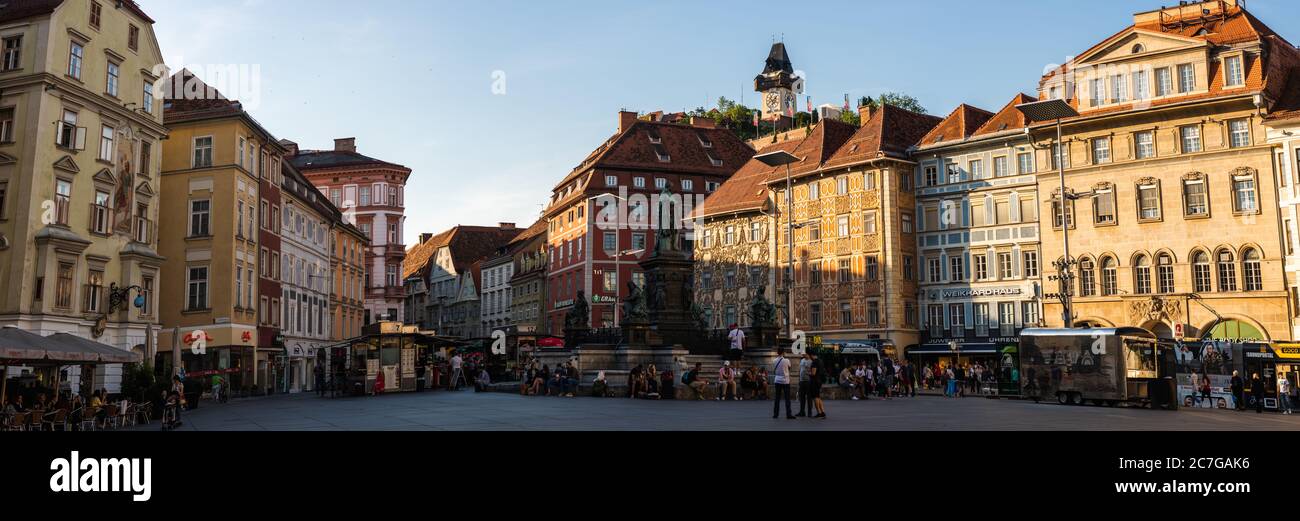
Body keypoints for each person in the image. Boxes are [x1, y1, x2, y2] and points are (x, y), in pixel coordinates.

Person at [771, 348, 795, 419]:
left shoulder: (774, 360)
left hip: (777, 380)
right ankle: (788, 414)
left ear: (777, 352)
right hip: (785, 381)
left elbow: (774, 369)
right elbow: (789, 368)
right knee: (787, 398)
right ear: (783, 353)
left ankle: (775, 414)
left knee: (777, 398)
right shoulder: (786, 360)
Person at [808, 352, 826, 419]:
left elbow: (813, 373)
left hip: (814, 381)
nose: (810, 358)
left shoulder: (814, 362)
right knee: (818, 397)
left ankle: (819, 412)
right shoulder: (820, 361)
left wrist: (808, 372)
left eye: (810, 356)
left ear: (812, 355)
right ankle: (823, 412)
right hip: (819, 381)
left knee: (815, 397)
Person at [797, 352, 813, 417]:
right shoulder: (802, 360)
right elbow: (800, 369)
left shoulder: (811, 361)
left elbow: (813, 371)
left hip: (808, 381)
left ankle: (809, 412)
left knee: (809, 397)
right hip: (802, 381)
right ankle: (802, 412)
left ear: (808, 354)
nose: (803, 355)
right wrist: (799, 379)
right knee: (801, 397)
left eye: (805, 354)